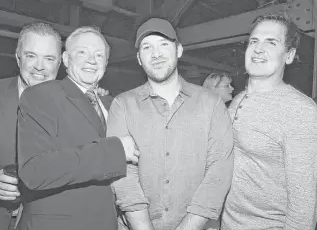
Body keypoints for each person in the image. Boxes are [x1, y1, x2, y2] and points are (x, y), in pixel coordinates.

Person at [107, 18, 234, 230]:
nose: (156, 54)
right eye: (147, 47)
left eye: (164, 44)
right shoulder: (122, 104)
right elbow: (124, 175)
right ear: (139, 58)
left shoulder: (211, 103)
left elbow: (219, 172)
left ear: (179, 50)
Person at [16, 26, 139, 230]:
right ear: (65, 59)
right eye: (82, 52)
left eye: (99, 55)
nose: (91, 60)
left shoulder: (113, 104)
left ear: (106, 64)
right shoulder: (41, 95)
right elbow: (33, 171)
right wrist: (115, 151)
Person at [221, 13, 317, 230]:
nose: (258, 48)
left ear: (289, 55)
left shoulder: (300, 111)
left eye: (271, 42)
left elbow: (304, 204)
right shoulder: (237, 100)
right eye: (254, 41)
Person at [0, 22, 62, 230]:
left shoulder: (74, 104)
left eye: (49, 58)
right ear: (18, 57)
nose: (40, 66)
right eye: (31, 55)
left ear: (59, 63)